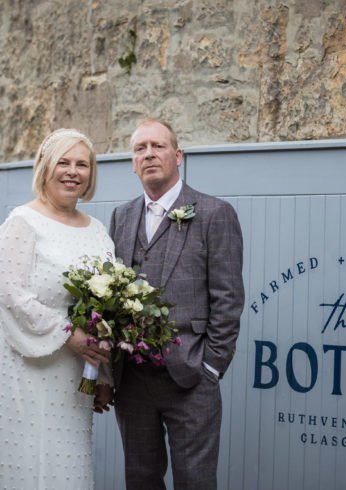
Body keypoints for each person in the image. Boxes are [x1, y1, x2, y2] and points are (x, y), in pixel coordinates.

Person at [110, 118, 245, 490]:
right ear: (133, 162)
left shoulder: (215, 213)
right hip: (133, 380)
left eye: (158, 146)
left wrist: (211, 369)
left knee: (195, 481)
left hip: (190, 377)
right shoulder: (121, 217)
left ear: (178, 156)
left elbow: (228, 300)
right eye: (140, 149)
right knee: (140, 479)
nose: (149, 154)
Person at [0, 128, 114, 489]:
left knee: (69, 462)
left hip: (76, 371)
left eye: (82, 164)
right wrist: (68, 334)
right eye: (63, 162)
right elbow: (11, 292)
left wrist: (104, 375)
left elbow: (106, 309)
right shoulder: (22, 221)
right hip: (28, 363)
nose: (72, 171)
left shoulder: (97, 230)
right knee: (28, 460)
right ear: (45, 168)